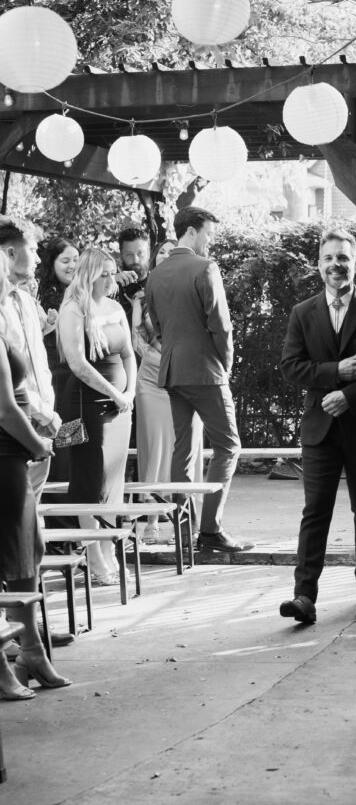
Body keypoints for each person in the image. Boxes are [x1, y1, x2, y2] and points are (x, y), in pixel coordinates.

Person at [279, 228, 356, 625]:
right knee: (315, 511)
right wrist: (338, 372)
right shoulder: (302, 313)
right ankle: (304, 596)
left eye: (343, 259)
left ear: (355, 265)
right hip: (319, 429)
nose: (336, 265)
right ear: (319, 265)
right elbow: (291, 367)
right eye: (329, 258)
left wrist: (349, 396)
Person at [146, 206, 252, 553]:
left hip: (173, 370)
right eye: (207, 233)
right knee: (228, 446)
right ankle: (210, 530)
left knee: (184, 450)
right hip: (206, 371)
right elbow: (220, 325)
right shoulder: (205, 267)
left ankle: (182, 534)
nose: (210, 240)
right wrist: (226, 365)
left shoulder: (156, 275)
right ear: (191, 231)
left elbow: (158, 327)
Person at [0, 252, 71, 699]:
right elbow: (5, 409)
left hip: (15, 452)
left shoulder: (16, 308)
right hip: (7, 451)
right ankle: (8, 661)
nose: (7, 274)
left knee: (32, 548)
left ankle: (30, 648)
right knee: (10, 556)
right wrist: (37, 442)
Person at [57, 247, 137, 584]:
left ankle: (108, 548)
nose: (109, 279)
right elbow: (77, 363)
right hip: (84, 407)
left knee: (114, 481)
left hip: (120, 409)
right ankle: (92, 553)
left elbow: (130, 354)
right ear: (89, 274)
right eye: (102, 273)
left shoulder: (117, 307)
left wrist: (130, 392)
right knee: (89, 481)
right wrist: (114, 392)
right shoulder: (74, 308)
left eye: (111, 272)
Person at [131, 238, 203, 543]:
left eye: (171, 251)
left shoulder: (194, 288)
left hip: (187, 375)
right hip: (152, 377)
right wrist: (156, 357)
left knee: (188, 448)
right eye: (161, 251)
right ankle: (151, 518)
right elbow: (136, 336)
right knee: (155, 448)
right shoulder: (142, 296)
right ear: (155, 258)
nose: (166, 255)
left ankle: (189, 520)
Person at [0, 218, 62, 502]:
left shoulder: (26, 301)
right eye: (34, 249)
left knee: (32, 515)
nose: (38, 258)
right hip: (14, 422)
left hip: (43, 419)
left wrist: (48, 408)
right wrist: (40, 412)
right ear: (10, 253)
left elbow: (38, 361)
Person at [36, 236, 80, 481]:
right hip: (58, 378)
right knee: (62, 440)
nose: (72, 265)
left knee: (71, 441)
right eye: (65, 260)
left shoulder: (73, 292)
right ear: (51, 263)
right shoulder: (50, 296)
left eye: (75, 259)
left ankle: (69, 505)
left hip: (72, 377)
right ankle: (62, 508)